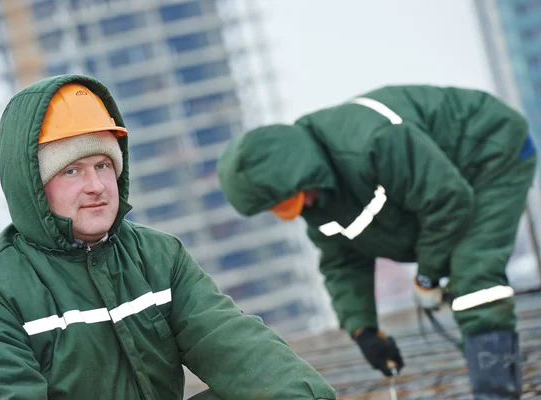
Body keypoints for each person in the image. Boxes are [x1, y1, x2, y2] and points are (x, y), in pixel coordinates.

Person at [0, 75, 337, 400]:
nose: (97, 185)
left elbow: (234, 345)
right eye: (72, 171)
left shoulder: (158, 256)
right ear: (32, 184)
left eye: (102, 164)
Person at [216, 84, 537, 400]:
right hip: (449, 182)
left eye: (294, 199)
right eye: (285, 208)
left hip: (488, 149)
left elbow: (448, 201)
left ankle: (496, 394)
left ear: (298, 171)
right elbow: (342, 261)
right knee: (464, 274)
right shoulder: (319, 195)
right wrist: (363, 330)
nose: (304, 207)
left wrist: (427, 275)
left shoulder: (373, 143)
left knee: (473, 274)